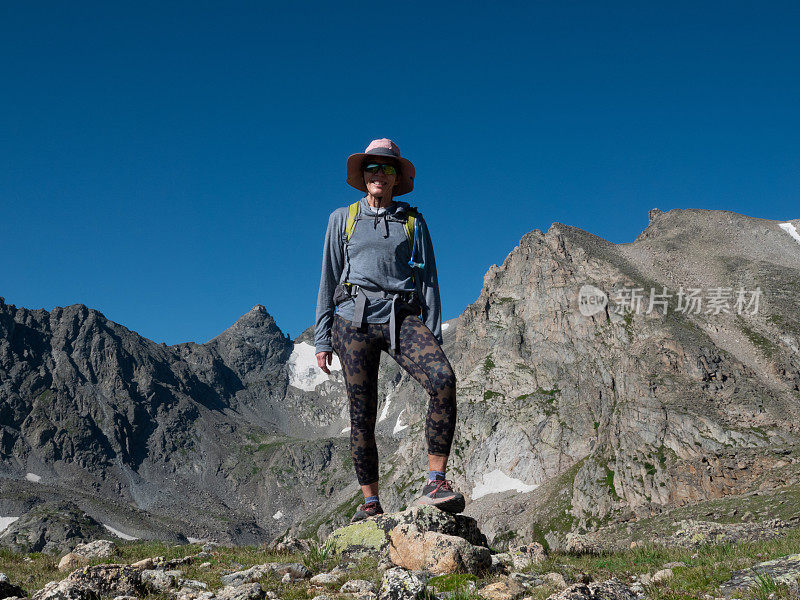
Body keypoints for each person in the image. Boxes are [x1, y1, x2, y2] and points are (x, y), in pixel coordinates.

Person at [314, 138, 464, 522]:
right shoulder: (341, 219)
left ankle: (436, 481)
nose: (379, 174)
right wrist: (322, 336)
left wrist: (431, 333)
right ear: (362, 176)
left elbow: (429, 281)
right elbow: (329, 278)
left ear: (398, 178)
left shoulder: (412, 222)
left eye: (388, 168)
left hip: (402, 317)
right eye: (373, 168)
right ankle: (370, 503)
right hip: (352, 320)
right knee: (361, 414)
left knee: (443, 379)